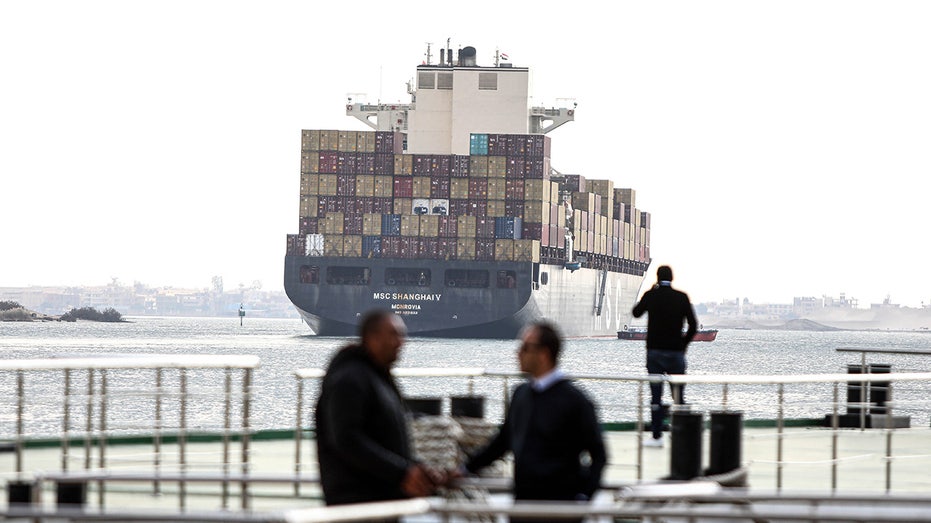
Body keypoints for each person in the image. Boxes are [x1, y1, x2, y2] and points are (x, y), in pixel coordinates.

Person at [459, 322, 607, 517]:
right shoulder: (520, 394)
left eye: (525, 348)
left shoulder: (575, 401)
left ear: (544, 354)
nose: (518, 353)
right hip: (523, 505)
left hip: (561, 509)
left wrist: (583, 498)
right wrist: (465, 469)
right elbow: (503, 442)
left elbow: (599, 454)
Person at [315, 309, 438, 506]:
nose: (400, 342)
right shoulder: (350, 380)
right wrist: (401, 473)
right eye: (394, 334)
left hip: (382, 497)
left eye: (401, 335)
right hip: (357, 501)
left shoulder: (379, 379)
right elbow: (347, 440)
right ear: (372, 337)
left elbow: (383, 439)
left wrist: (416, 469)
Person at [632, 265, 698, 448]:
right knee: (679, 396)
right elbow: (693, 326)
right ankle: (682, 435)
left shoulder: (651, 295)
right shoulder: (682, 297)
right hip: (676, 353)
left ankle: (656, 436)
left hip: (654, 353)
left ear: (657, 277)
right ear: (672, 278)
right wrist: (682, 345)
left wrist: (651, 291)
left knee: (656, 396)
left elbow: (636, 313)